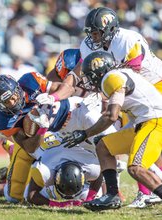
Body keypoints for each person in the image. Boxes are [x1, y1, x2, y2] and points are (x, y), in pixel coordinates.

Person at [48, 6, 162, 207]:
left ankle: (147, 192)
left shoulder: (126, 41)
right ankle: (114, 194)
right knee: (111, 143)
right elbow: (74, 78)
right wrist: (54, 98)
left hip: (153, 86)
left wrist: (105, 106)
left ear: (109, 29)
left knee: (142, 140)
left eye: (95, 32)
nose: (92, 37)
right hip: (131, 94)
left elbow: (123, 83)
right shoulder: (91, 47)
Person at [62, 51, 162, 211]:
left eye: (90, 74)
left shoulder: (111, 78)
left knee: (136, 168)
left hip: (155, 121)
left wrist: (85, 133)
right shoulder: (118, 74)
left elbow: (111, 115)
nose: (89, 80)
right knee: (103, 146)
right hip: (145, 122)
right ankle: (112, 195)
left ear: (99, 71)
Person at [0, 73, 74, 202]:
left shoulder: (31, 82)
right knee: (14, 196)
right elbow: (29, 147)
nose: (12, 103)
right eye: (6, 102)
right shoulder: (3, 121)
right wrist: (41, 129)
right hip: (32, 144)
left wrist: (52, 97)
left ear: (18, 89)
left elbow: (69, 89)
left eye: (13, 97)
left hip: (59, 132)